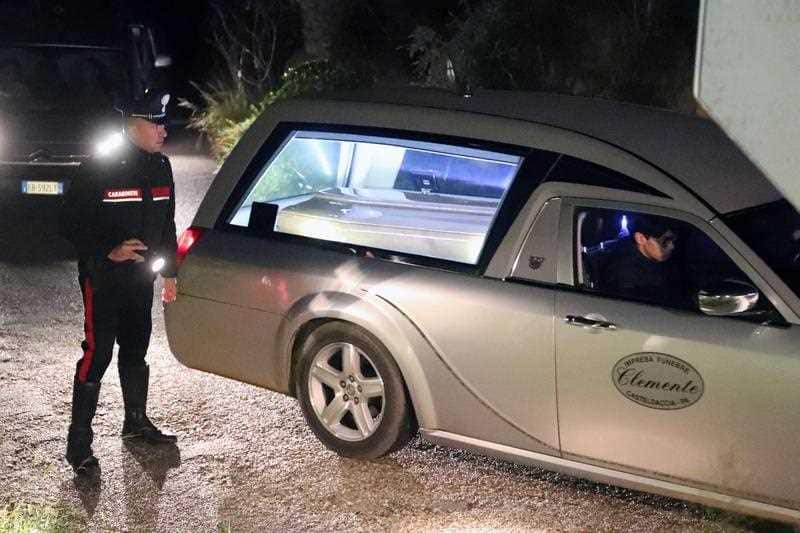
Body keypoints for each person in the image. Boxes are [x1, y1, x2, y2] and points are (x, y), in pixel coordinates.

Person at [60, 89, 178, 474]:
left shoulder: (161, 167)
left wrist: (170, 273)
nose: (163, 129)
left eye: (164, 122)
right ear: (133, 125)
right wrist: (108, 250)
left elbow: (168, 224)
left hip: (140, 280)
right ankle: (79, 446)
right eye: (155, 122)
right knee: (98, 354)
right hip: (104, 277)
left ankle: (135, 422)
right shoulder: (97, 168)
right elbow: (69, 224)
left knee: (136, 349)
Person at [601, 216, 687, 307]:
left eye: (673, 240)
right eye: (665, 241)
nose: (672, 246)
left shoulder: (667, 261)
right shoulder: (624, 273)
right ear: (640, 238)